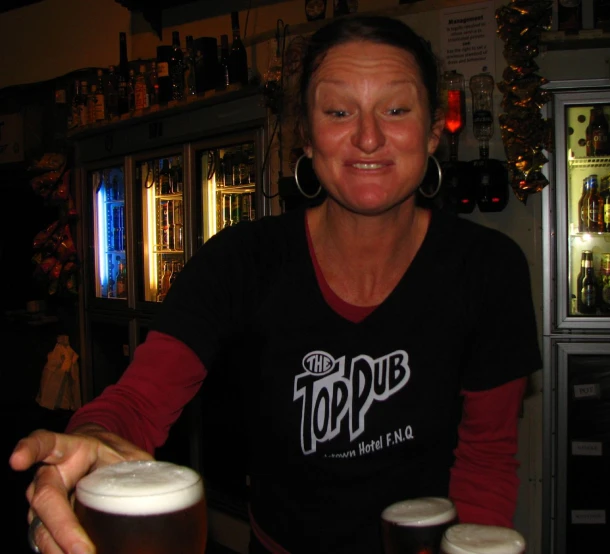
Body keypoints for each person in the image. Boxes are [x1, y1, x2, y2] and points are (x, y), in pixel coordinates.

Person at [9, 15, 542, 554]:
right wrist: (95, 439)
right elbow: (139, 401)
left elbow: (487, 459)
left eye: (396, 109)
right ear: (306, 137)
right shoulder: (241, 261)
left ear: (432, 131)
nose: (368, 136)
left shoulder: (490, 268)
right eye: (338, 112)